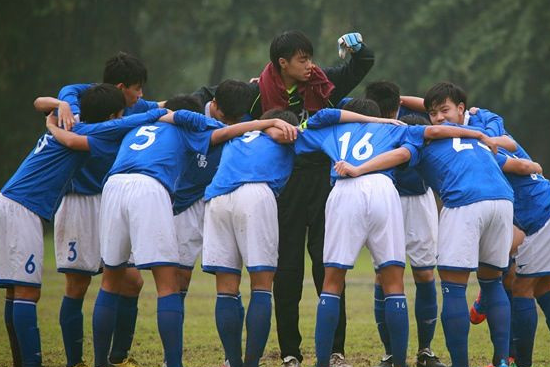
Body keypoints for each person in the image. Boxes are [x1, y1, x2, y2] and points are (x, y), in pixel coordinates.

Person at [65, 102, 294, 367]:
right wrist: (267, 124)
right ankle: (176, 363)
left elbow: (77, 138)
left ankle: (101, 362)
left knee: (110, 280)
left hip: (115, 187)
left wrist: (53, 119)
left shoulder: (134, 123)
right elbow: (228, 135)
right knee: (169, 285)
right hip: (152, 187)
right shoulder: (190, 128)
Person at [0, 84, 167, 367]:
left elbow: (41, 102)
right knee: (27, 292)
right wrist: (167, 112)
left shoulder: (72, 120)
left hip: (12, 200)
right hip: (21, 208)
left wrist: (56, 113)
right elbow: (130, 122)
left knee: (17, 291)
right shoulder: (89, 130)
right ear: (112, 114)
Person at [334, 112, 517, 367]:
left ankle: (442, 357)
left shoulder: (418, 141)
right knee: (492, 282)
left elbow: (399, 154)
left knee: (446, 283)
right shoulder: (475, 136)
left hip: (453, 201)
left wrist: (358, 168)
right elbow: (515, 161)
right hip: (501, 200)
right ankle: (503, 360)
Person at [365, 81, 444, 367]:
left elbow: (434, 105)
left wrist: (401, 99)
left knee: (424, 274)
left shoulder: (416, 121)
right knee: (383, 277)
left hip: (420, 200)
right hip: (387, 200)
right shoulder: (368, 126)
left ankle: (425, 351)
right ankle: (390, 353)